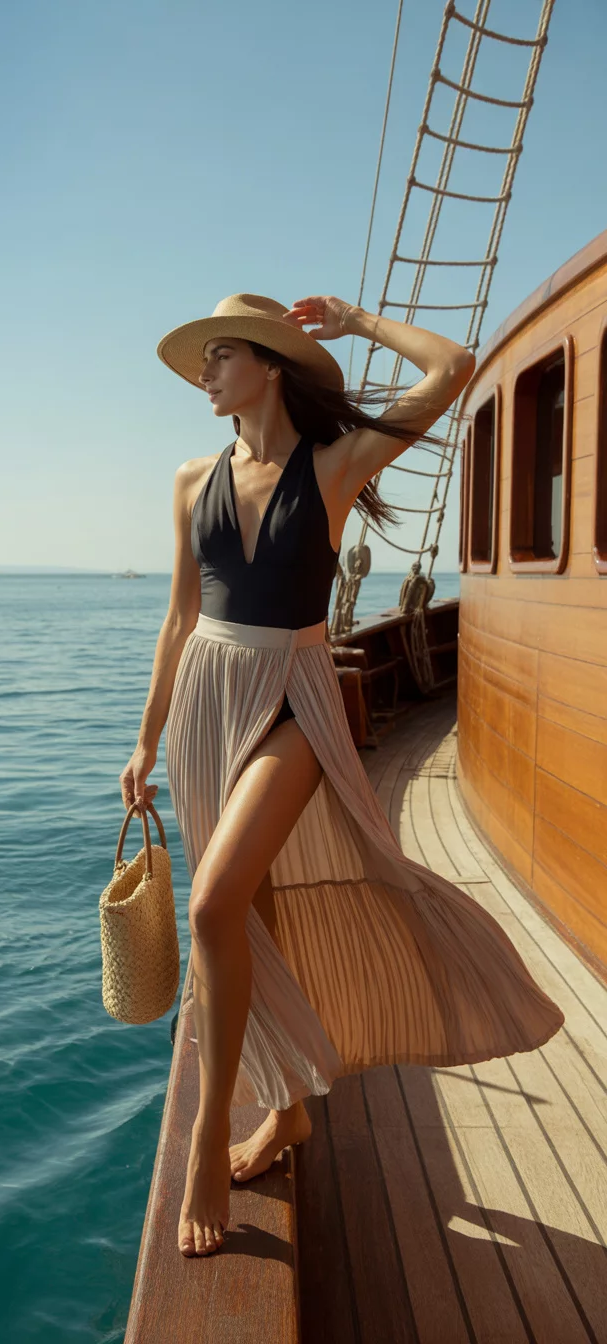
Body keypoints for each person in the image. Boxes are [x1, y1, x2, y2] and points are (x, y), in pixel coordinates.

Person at [119, 292, 565, 1259]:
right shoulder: (193, 478)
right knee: (248, 910)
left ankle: (207, 1135)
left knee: (211, 910)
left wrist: (359, 323)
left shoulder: (332, 464)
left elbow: (449, 367)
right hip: (204, 701)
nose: (205, 372)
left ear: (272, 365)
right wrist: (146, 740)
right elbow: (178, 619)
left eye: (223, 354)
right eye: (202, 359)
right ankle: (285, 1113)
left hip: (294, 698)